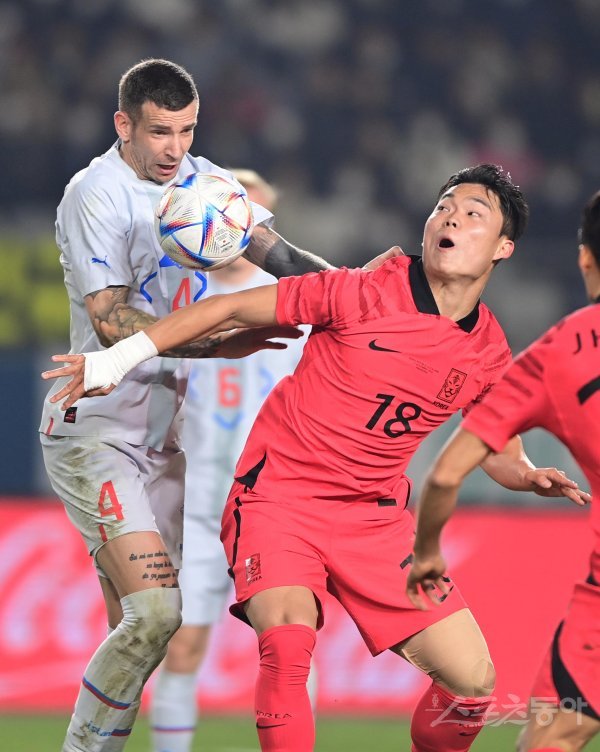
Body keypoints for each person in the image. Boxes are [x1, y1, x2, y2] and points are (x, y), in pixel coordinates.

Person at [43, 164, 588, 752]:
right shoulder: (360, 289)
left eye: (473, 213)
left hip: (374, 522)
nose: (451, 218)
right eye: (444, 207)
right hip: (279, 500)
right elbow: (229, 310)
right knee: (286, 645)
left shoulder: (487, 349)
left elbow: (496, 444)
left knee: (472, 686)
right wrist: (115, 359)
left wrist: (525, 474)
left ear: (503, 248)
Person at [38, 59, 332, 752]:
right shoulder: (95, 194)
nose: (175, 148)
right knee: (156, 614)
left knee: (143, 631)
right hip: (96, 427)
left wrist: (362, 296)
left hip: (164, 440)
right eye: (160, 132)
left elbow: (283, 258)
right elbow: (112, 320)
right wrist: (220, 341)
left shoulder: (206, 184)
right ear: (124, 124)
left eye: (187, 130)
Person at [406, 191, 600, 752]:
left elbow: (446, 474)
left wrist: (427, 553)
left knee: (552, 739)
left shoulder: (559, 351)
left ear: (585, 258)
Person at [149, 170, 314, 752]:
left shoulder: (300, 304)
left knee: (291, 647)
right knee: (183, 645)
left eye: (252, 214)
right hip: (197, 504)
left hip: (275, 504)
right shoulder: (183, 297)